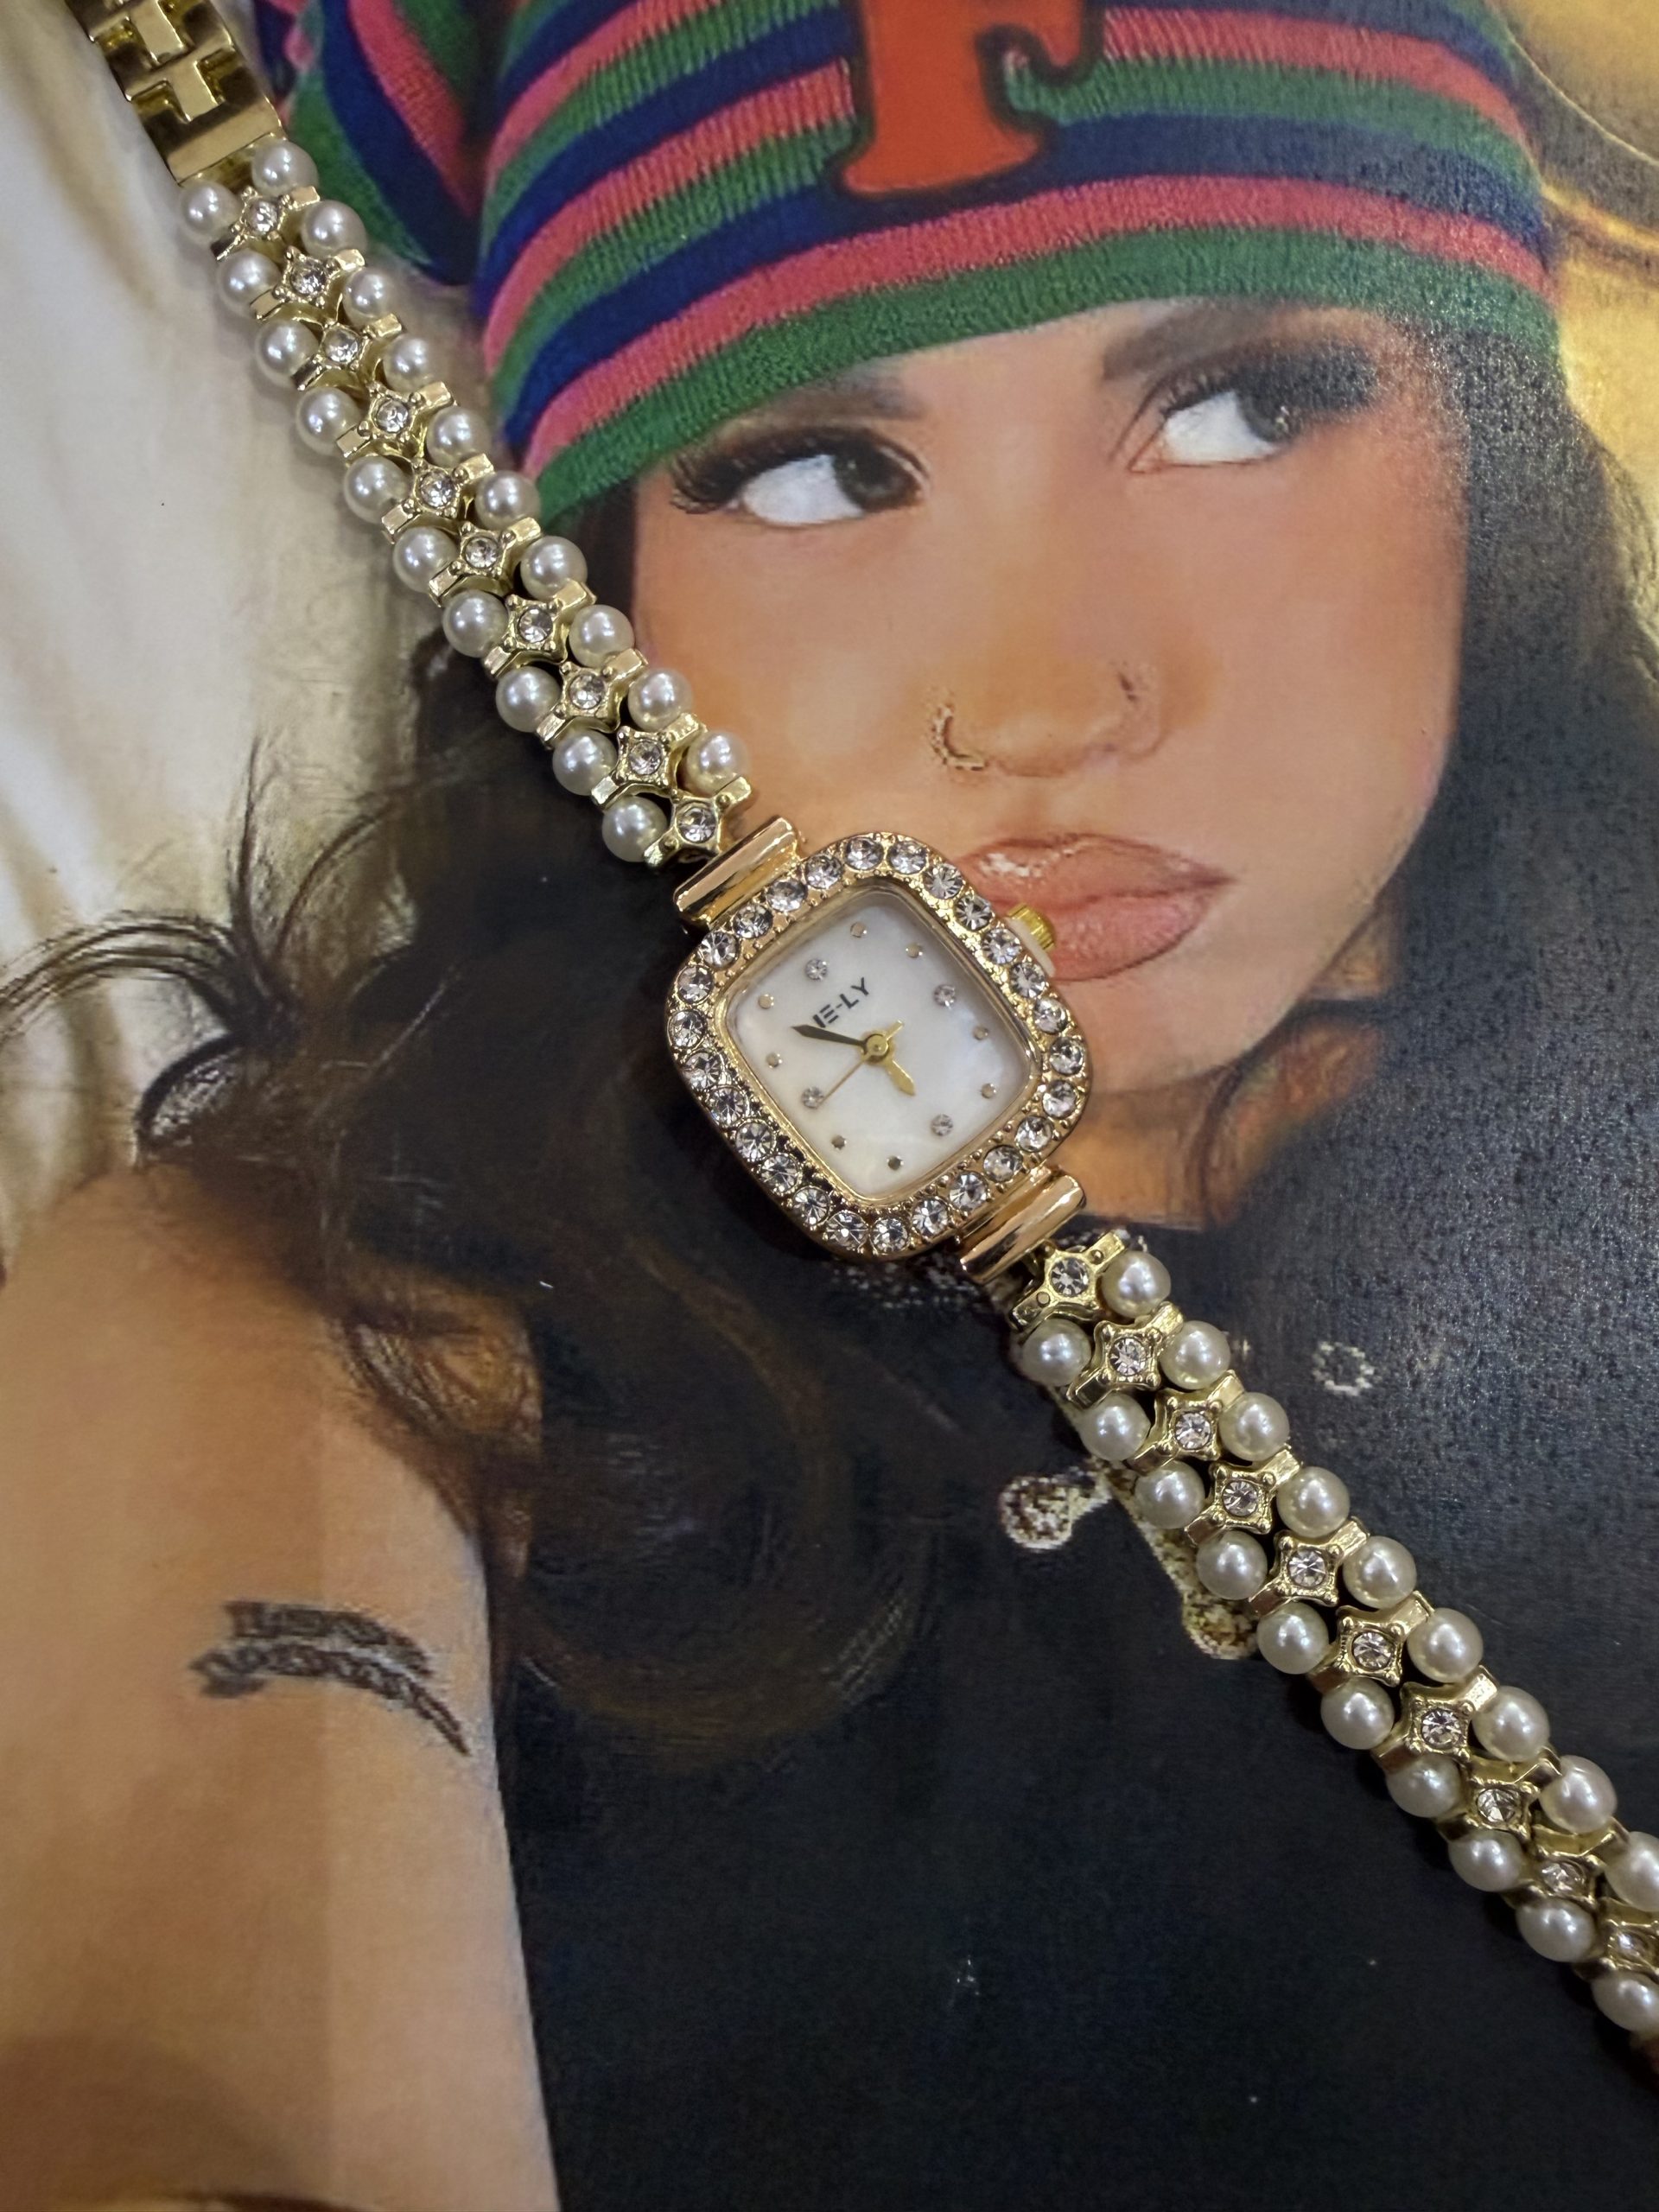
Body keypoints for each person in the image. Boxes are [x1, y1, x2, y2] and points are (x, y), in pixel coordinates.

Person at [5, 1, 1659, 2206]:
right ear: (608, 611)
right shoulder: (342, 1324)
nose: (1044, 700)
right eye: (814, 469)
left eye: (1241, 407)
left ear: (1498, 467)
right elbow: (173, 2063)